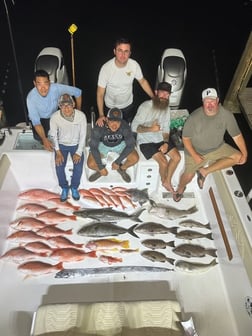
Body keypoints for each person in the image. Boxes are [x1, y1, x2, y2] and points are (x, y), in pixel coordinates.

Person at [173, 88, 248, 202]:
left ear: (217, 100)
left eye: (212, 101)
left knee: (238, 158)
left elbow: (237, 136)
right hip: (196, 150)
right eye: (207, 101)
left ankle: (205, 171)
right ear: (203, 102)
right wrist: (194, 155)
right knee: (188, 176)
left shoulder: (226, 115)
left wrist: (245, 154)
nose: (210, 104)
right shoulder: (194, 118)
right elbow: (186, 139)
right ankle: (180, 188)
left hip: (218, 147)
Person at [131, 81, 181, 193]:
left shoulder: (167, 108)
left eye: (167, 94)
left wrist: (166, 143)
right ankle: (164, 180)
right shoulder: (145, 107)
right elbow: (134, 128)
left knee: (177, 157)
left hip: (160, 139)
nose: (165, 96)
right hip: (145, 141)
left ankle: (166, 181)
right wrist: (150, 129)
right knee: (163, 162)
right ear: (156, 92)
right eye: (162, 93)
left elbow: (166, 128)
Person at [96, 37, 154, 125]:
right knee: (111, 132)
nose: (123, 55)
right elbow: (100, 93)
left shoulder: (134, 65)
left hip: (128, 106)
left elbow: (142, 82)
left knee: (127, 129)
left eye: (126, 51)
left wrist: (153, 97)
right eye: (120, 50)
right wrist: (101, 114)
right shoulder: (106, 68)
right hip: (110, 107)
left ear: (130, 53)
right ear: (114, 51)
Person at [26, 69, 82, 151]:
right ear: (34, 84)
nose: (43, 88)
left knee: (64, 135)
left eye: (45, 83)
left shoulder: (56, 88)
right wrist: (44, 139)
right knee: (39, 137)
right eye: (39, 84)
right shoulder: (31, 98)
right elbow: (36, 122)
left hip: (54, 115)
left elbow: (78, 92)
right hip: (41, 119)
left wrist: (78, 111)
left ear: (49, 82)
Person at [50, 94, 87, 202]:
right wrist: (58, 151)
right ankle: (64, 187)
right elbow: (53, 135)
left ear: (74, 104)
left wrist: (79, 152)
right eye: (63, 105)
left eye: (69, 105)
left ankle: (74, 187)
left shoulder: (81, 116)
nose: (66, 108)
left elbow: (83, 135)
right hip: (61, 145)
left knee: (79, 167)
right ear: (59, 106)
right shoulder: (54, 117)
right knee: (59, 166)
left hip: (76, 144)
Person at [87, 107, 139, 183]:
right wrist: (100, 167)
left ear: (121, 121)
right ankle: (100, 171)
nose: (115, 125)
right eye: (112, 121)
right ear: (107, 120)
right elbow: (94, 147)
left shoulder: (124, 126)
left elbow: (130, 145)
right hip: (103, 145)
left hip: (120, 144)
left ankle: (122, 169)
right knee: (90, 164)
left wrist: (118, 162)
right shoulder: (99, 127)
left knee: (135, 158)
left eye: (117, 122)